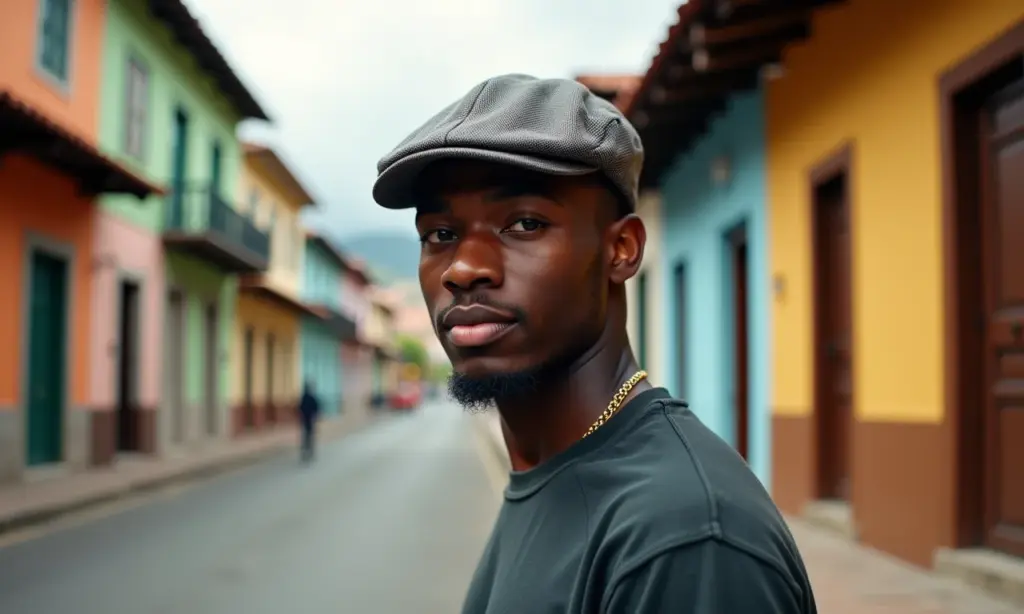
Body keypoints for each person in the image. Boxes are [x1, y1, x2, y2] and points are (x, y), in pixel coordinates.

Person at [372, 74, 817, 613]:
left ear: (622, 250)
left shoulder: (682, 539)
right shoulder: (548, 469)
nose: (464, 268)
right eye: (440, 234)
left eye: (524, 223)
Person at [297, 380, 320, 463]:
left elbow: (300, 408)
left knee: (306, 435)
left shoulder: (304, 397)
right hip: (309, 419)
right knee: (309, 435)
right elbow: (316, 408)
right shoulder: (311, 397)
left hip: (305, 419)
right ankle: (309, 449)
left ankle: (306, 449)